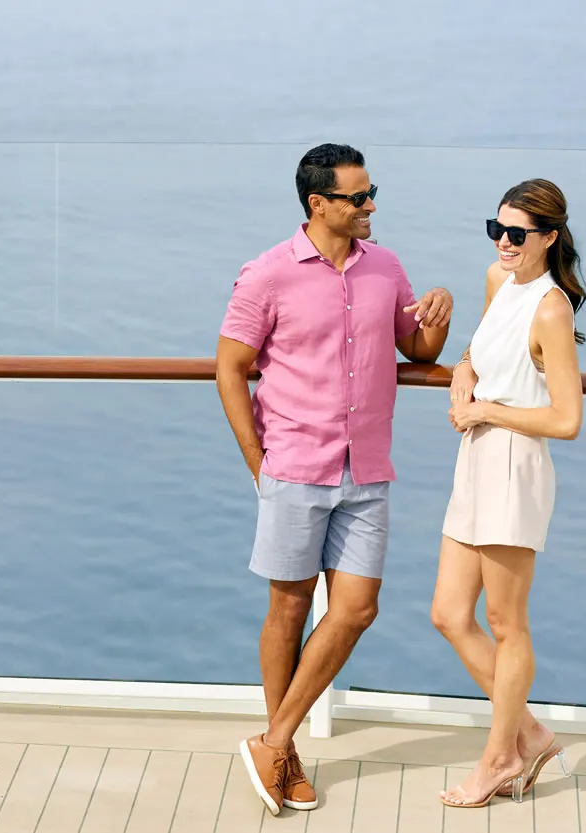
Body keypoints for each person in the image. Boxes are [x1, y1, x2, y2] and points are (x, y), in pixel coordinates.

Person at [215, 143, 454, 815]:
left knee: (356, 608)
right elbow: (230, 368)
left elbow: (421, 350)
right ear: (318, 204)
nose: (371, 204)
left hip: (366, 467)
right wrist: (258, 463)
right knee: (288, 608)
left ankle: (274, 738)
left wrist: (438, 310)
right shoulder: (266, 274)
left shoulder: (387, 267)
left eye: (372, 191)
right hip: (293, 463)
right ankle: (283, 757)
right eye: (358, 196)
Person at [432, 178, 586, 808]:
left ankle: (500, 756)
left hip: (515, 467)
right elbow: (482, 345)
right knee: (447, 612)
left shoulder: (552, 308)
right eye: (496, 229)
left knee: (504, 621)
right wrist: (465, 367)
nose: (503, 242)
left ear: (549, 238)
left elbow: (566, 419)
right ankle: (529, 734)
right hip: (476, 459)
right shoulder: (499, 282)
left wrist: (489, 408)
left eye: (517, 234)